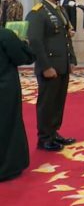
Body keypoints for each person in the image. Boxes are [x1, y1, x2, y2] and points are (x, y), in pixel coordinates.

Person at [25, 0, 77, 152]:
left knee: (58, 101)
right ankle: (44, 138)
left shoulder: (59, 9)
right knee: (47, 102)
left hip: (61, 64)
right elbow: (35, 42)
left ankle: (54, 132)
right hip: (49, 66)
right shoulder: (37, 13)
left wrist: (71, 59)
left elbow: (65, 36)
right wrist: (45, 66)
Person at [0, 27, 35, 181]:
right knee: (8, 124)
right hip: (4, 88)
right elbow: (23, 57)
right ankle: (7, 167)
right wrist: (24, 43)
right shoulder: (5, 35)